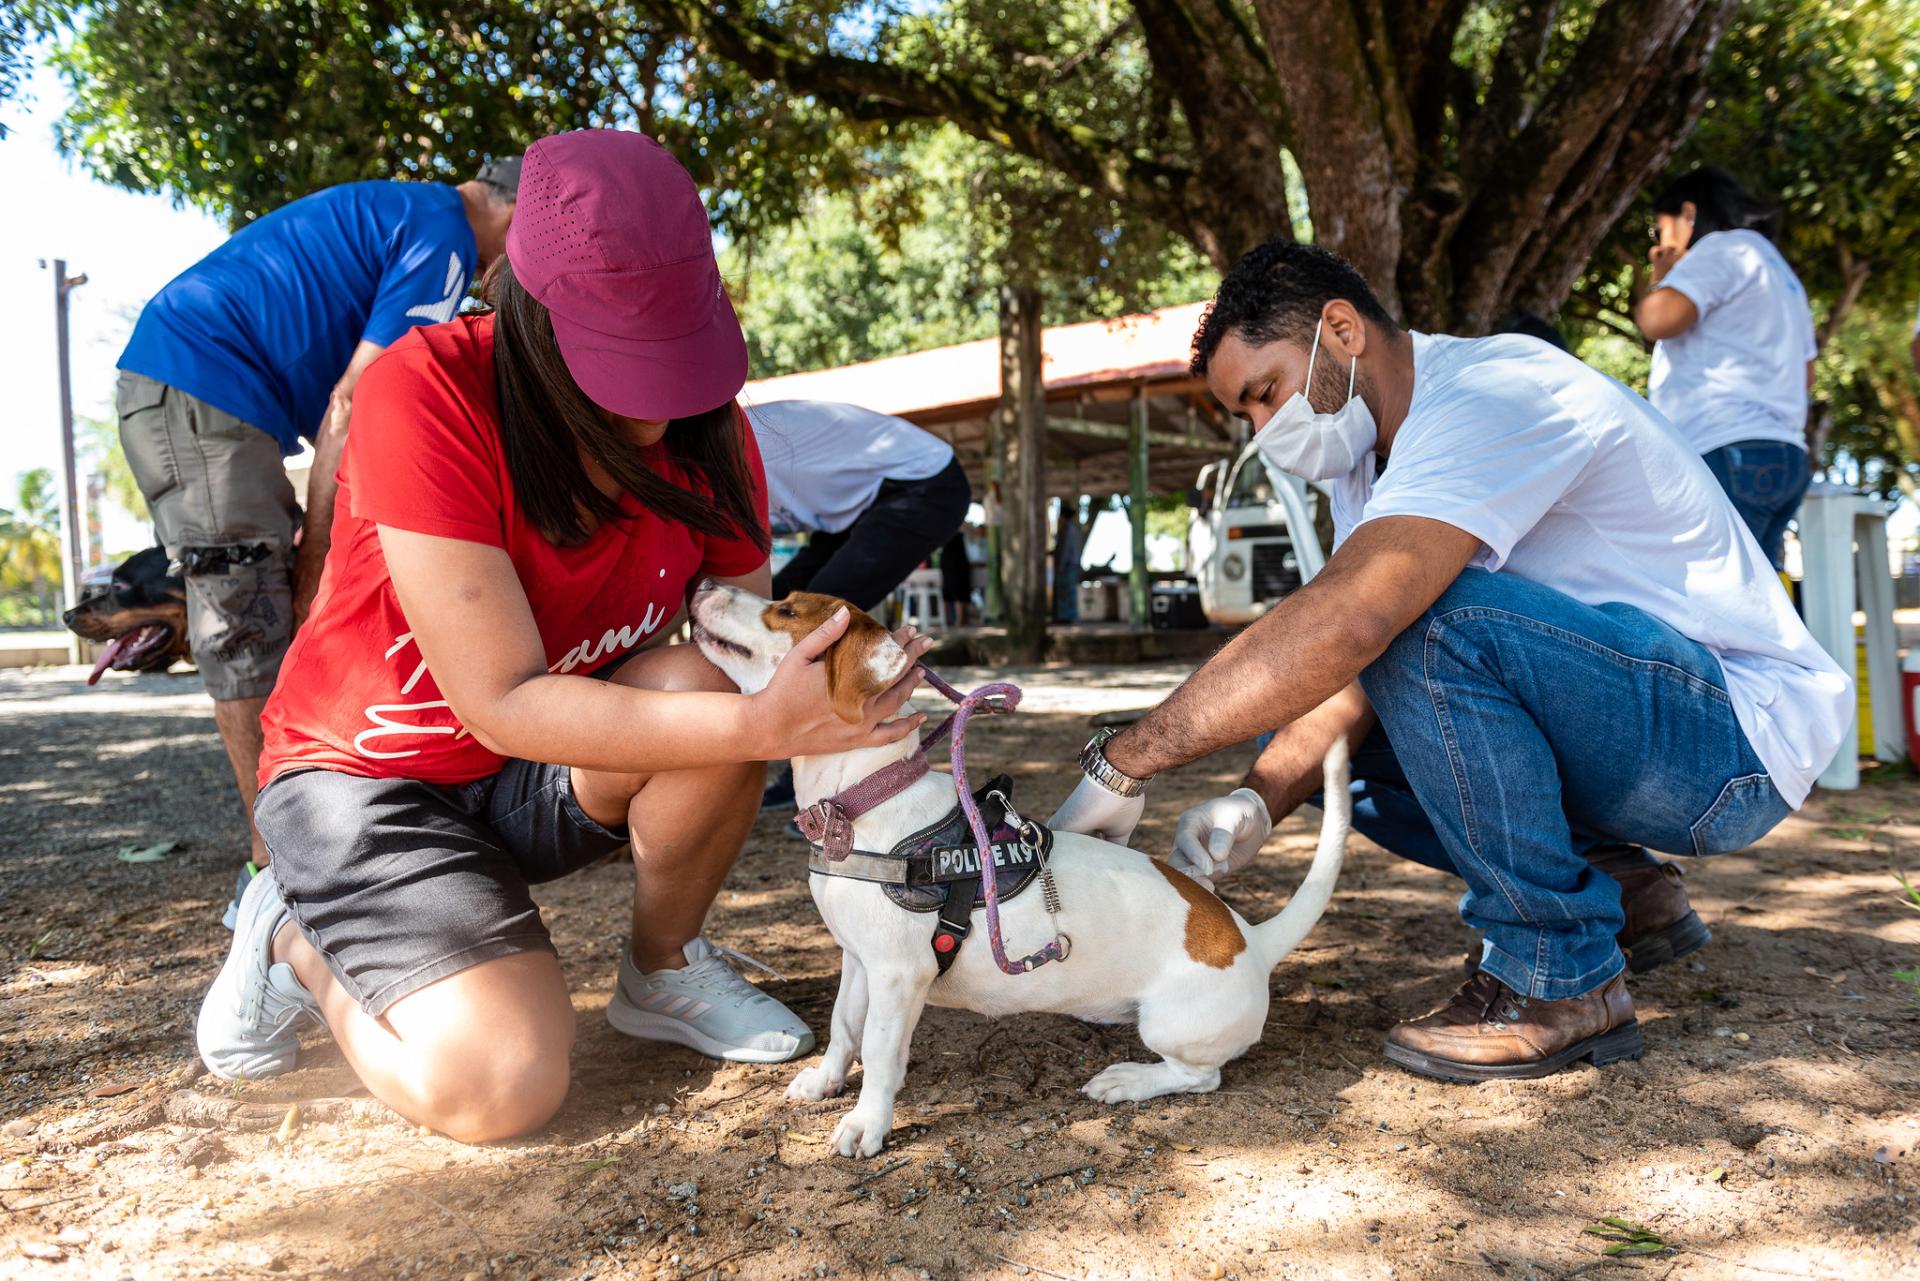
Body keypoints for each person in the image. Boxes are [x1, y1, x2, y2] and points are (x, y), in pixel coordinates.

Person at [194, 130, 929, 1143]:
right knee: (500, 1086)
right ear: (526, 316)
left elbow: (741, 640)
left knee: (708, 683)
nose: (652, 413)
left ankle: (663, 968)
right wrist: (769, 727)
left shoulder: (714, 430)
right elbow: (498, 697)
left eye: (670, 360)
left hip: (538, 767)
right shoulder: (426, 391)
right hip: (369, 777)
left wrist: (843, 700)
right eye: (618, 365)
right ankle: (293, 936)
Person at [1049, 241, 1850, 1083]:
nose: (1262, 429)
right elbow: (1347, 672)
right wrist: (1257, 797)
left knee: (1425, 621)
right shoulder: (1364, 466)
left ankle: (1559, 977)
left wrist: (1126, 762)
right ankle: (1629, 895)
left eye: (1266, 392)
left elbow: (1360, 621)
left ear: (1341, 329)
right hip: (1642, 728)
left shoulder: (1495, 391)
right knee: (1327, 763)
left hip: (1730, 739)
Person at [116, 157, 522, 924]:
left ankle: (296, 859)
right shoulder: (442, 239)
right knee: (251, 623)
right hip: (203, 385)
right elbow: (354, 407)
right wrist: (317, 566)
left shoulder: (414, 216)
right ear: (517, 215)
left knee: (263, 613)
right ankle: (276, 880)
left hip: (206, 389)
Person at [1634, 168, 1817, 568]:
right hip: (1783, 451)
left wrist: (1663, 277)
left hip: (1727, 447)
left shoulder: (1722, 249)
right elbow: (1807, 375)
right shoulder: (1782, 273)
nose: (1659, 241)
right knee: (1753, 609)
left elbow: (1656, 320)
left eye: (1659, 229)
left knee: (1705, 605)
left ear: (1687, 215)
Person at [751, 400, 971, 609]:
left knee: (818, 609)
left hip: (923, 481)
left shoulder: (733, 448)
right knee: (776, 601)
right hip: (856, 503)